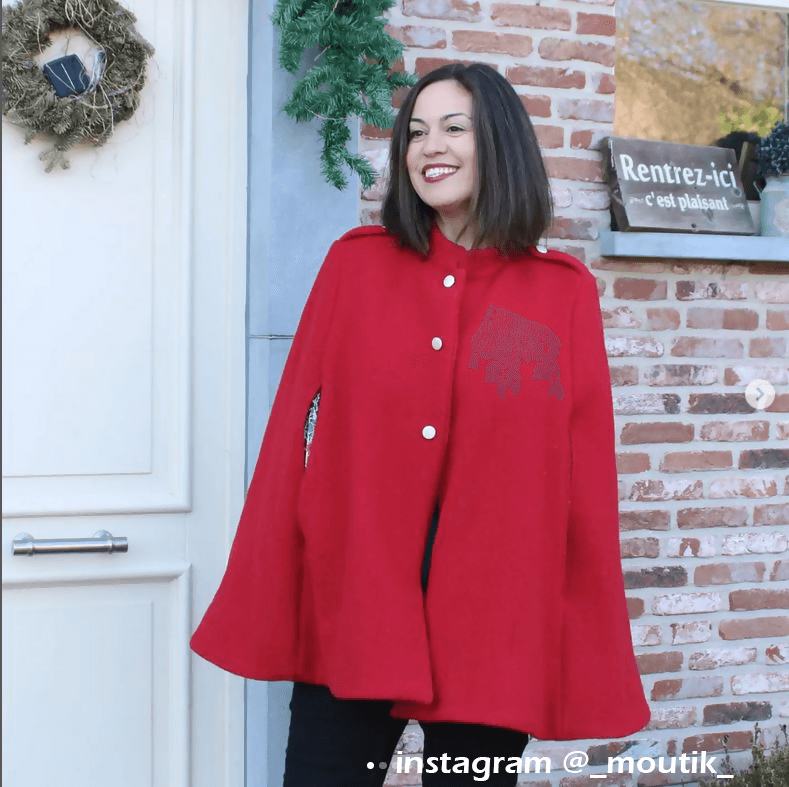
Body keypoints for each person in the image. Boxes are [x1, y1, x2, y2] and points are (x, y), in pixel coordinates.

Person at [190, 63, 651, 786]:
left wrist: (574, 618)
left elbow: (579, 476)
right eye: (415, 131)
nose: (428, 146)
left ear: (497, 141)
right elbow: (292, 439)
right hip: (358, 601)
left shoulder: (555, 293)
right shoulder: (355, 269)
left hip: (493, 617)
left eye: (453, 127)